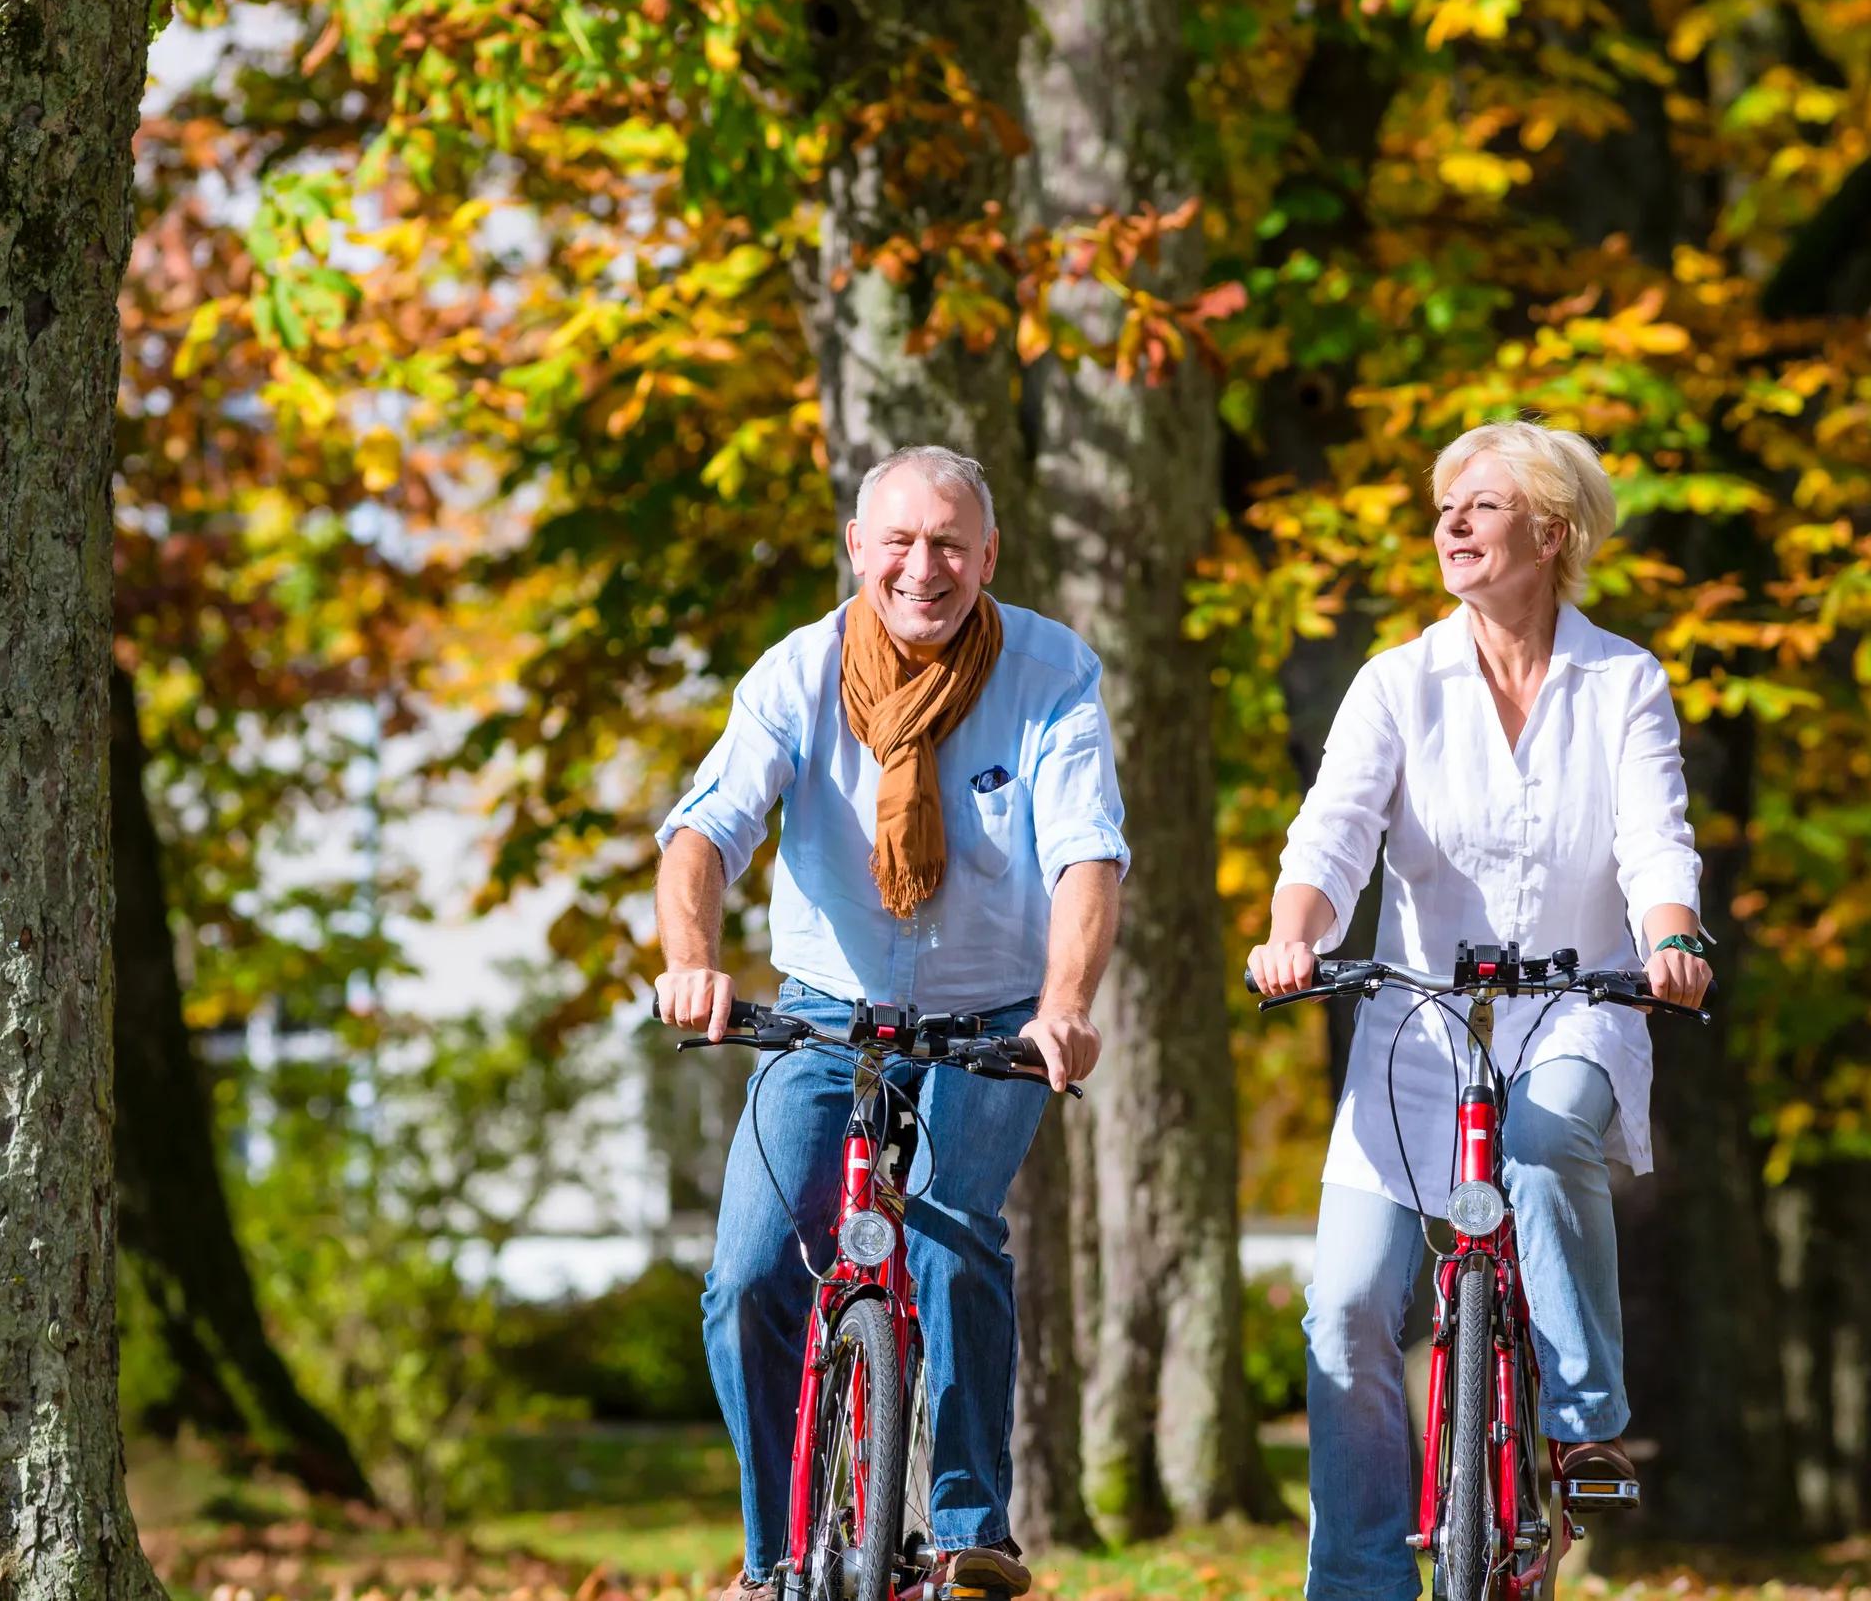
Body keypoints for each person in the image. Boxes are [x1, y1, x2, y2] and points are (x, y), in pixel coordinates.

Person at [1245, 420, 1712, 1601]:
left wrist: (1670, 938)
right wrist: (1294, 927)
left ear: (1551, 532)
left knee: (1546, 1136)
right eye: (1444, 504)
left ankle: (1584, 1426)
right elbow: (1334, 830)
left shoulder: (1623, 682)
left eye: (1481, 504)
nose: (1450, 522)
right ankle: (1355, 1577)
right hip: (1418, 1026)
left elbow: (1654, 835)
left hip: (1573, 1010)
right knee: (1346, 1301)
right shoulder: (1397, 681)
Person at [653, 444, 1129, 1601]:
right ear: (858, 550)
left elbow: (1084, 853)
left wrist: (1062, 1009)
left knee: (952, 1233)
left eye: (952, 543)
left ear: (988, 556)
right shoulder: (798, 674)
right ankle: (772, 1556)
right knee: (752, 1269)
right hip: (828, 1008)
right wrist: (691, 962)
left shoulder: (1050, 668)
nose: (927, 567)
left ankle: (972, 1532)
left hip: (990, 1011)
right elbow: (703, 832)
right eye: (901, 542)